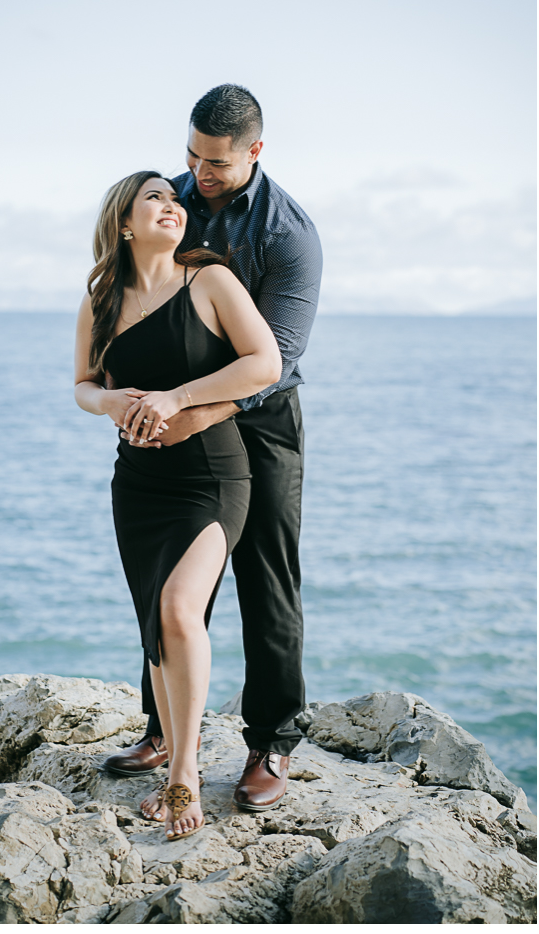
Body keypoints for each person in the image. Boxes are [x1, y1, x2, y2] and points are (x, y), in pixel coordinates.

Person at [103, 85, 323, 816]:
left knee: (266, 573)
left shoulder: (289, 235)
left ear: (254, 152)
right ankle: (163, 729)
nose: (199, 171)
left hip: (259, 419)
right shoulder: (175, 197)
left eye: (217, 162)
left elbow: (279, 359)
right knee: (167, 573)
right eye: (192, 154)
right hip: (174, 413)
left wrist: (196, 410)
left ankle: (271, 741)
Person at [74, 170, 282, 840]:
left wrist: (177, 398)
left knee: (177, 608)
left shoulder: (210, 281)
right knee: (154, 628)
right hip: (136, 484)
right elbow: (82, 384)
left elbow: (265, 363)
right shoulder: (101, 299)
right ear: (124, 223)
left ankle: (183, 774)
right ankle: (171, 761)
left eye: (174, 198)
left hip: (213, 475)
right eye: (153, 199)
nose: (172, 206)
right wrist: (111, 401)